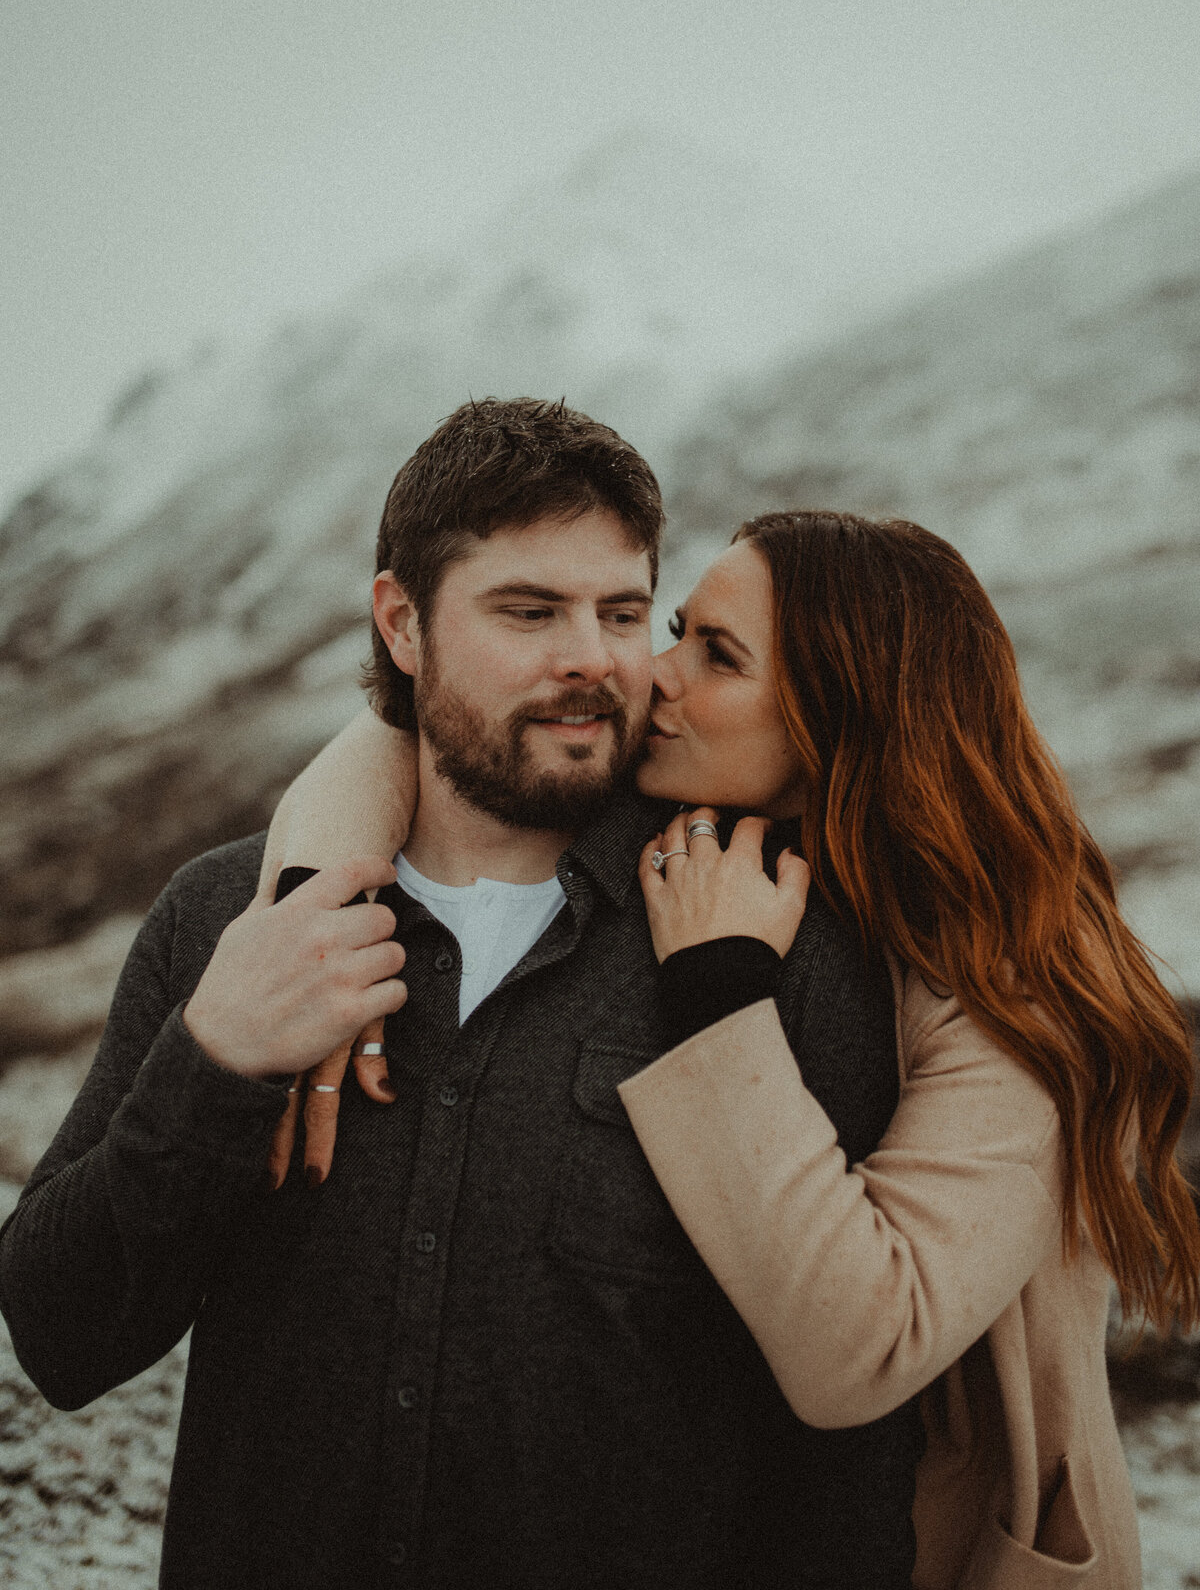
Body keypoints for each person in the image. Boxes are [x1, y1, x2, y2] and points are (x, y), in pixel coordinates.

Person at [0, 401, 922, 1590]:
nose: (591, 655)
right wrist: (216, 1057)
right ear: (404, 624)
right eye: (529, 611)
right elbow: (63, 1336)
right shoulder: (225, 920)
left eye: (625, 612)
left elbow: (844, 1457)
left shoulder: (771, 951)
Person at [267, 507, 1200, 1589]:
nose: (654, 674)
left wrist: (718, 999)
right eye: (675, 629)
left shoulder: (1010, 987)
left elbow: (863, 1351)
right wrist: (315, 909)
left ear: (843, 714)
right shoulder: (716, 806)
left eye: (718, 656)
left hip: (942, 1555)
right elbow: (397, 737)